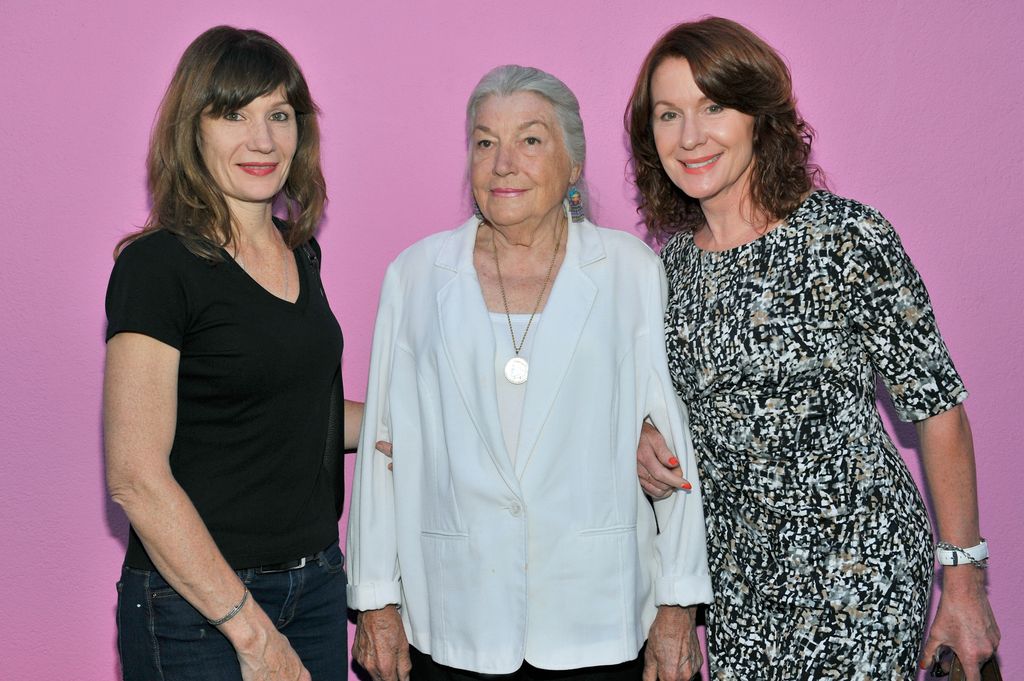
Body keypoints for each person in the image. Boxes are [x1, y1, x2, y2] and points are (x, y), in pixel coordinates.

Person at [625, 17, 1000, 680]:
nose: (690, 136)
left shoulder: (845, 236)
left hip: (862, 568)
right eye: (668, 114)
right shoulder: (664, 271)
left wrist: (964, 583)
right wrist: (645, 441)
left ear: (758, 116)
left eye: (714, 107)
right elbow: (668, 409)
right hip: (740, 585)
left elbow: (938, 408)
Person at [346, 65, 712, 681]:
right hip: (455, 616)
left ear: (573, 166)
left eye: (531, 140)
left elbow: (671, 447)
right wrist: (377, 600)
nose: (503, 162)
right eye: (485, 142)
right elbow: (385, 450)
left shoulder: (629, 271)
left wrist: (676, 604)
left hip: (597, 617)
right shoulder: (414, 276)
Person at [104, 26, 360, 681]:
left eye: (279, 114)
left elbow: (303, 410)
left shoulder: (299, 250)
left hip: (318, 585)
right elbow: (135, 475)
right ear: (193, 129)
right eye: (233, 115)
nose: (263, 139)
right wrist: (250, 630)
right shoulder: (158, 267)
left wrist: (428, 411)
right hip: (198, 607)